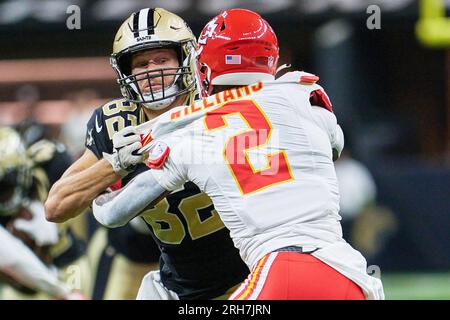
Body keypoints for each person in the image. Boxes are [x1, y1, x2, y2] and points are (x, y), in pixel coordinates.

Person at [92, 8, 385, 300]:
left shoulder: (190, 133)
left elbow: (113, 214)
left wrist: (107, 185)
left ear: (204, 68)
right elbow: (335, 143)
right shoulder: (302, 95)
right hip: (348, 271)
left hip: (280, 271)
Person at [45, 8, 248, 299]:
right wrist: (116, 164)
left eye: (162, 59)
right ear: (127, 73)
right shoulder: (117, 122)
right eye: (140, 64)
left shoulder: (216, 107)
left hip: (247, 272)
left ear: (186, 59)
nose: (152, 71)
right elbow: (56, 206)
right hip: (176, 283)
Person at [0, 126, 87, 299]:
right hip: (24, 282)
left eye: (4, 186)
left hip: (68, 265)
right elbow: (14, 260)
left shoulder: (50, 165)